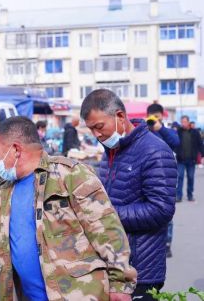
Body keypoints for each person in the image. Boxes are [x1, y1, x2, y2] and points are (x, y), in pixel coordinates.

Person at [0, 116, 136, 301]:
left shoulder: (70, 176)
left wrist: (121, 286)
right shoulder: (5, 193)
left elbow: (108, 231)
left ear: (15, 149)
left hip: (78, 294)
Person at [81, 89, 176, 301]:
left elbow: (162, 210)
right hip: (114, 264)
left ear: (120, 117)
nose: (96, 135)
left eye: (99, 127)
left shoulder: (155, 151)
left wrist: (107, 214)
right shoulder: (111, 151)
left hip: (141, 267)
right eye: (91, 129)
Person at [146, 103, 180, 258]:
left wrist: (161, 128)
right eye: (152, 117)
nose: (154, 120)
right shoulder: (144, 130)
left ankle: (167, 244)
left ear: (162, 116)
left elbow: (176, 143)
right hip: (147, 177)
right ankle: (152, 244)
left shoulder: (167, 130)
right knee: (148, 211)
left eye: (157, 117)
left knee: (166, 212)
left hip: (166, 177)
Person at [175, 116, 203, 202]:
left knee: (190, 177)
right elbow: (174, 143)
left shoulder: (195, 132)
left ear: (188, 122)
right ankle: (179, 196)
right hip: (181, 160)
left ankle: (190, 195)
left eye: (184, 122)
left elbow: (200, 145)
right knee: (180, 177)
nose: (183, 123)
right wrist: (177, 152)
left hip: (191, 160)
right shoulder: (178, 132)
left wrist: (202, 156)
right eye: (182, 122)